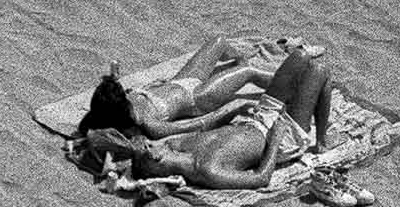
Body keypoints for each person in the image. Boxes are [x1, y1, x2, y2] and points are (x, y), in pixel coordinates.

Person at [85, 49, 349, 192]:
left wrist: (234, 109)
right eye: (151, 147)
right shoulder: (209, 170)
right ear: (155, 160)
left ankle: (305, 94)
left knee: (300, 57)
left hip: (255, 117)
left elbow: (203, 124)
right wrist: (276, 137)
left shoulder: (178, 147)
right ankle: (321, 141)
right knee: (319, 70)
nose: (156, 143)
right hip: (282, 137)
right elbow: (260, 178)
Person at [77, 36, 318, 139]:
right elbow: (197, 125)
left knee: (219, 41)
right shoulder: (150, 124)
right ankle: (297, 87)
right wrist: (233, 109)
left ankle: (241, 57)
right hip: (197, 98)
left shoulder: (113, 107)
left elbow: (90, 120)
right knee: (249, 74)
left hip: (181, 80)